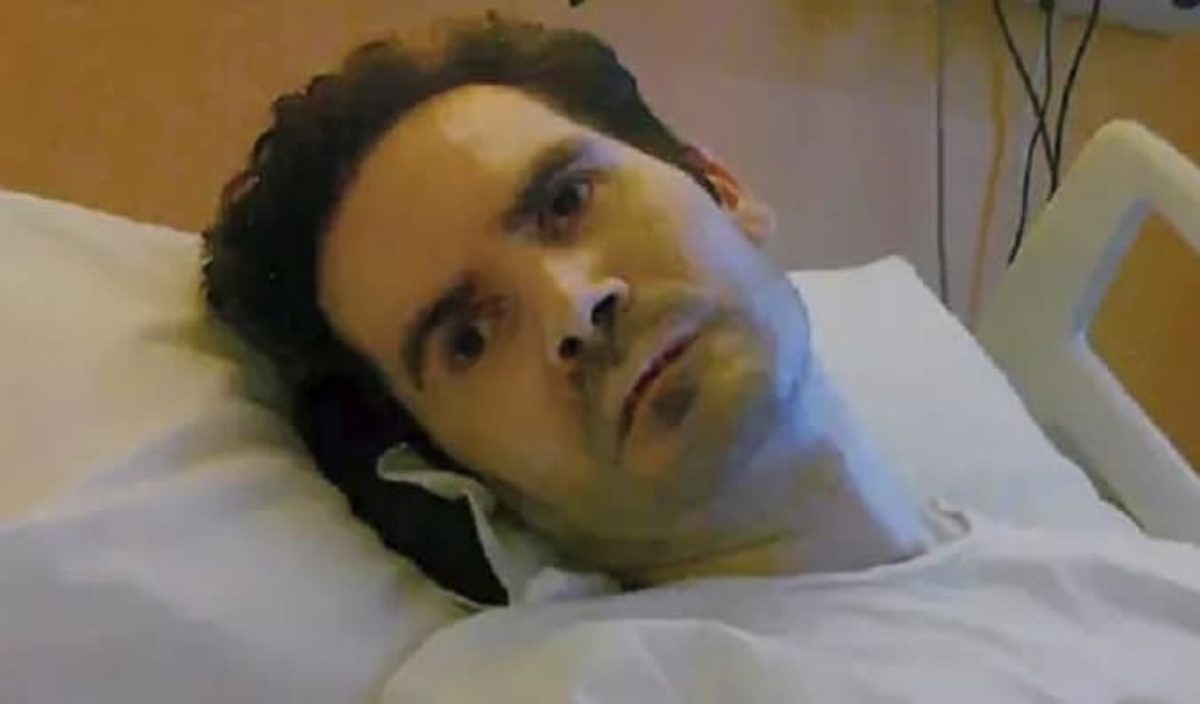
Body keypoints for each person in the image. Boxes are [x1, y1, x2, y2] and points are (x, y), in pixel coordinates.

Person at [203, 14, 1200, 700]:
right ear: (462, 472)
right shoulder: (570, 686)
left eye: (566, 201)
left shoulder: (1140, 582)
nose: (574, 306)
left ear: (721, 188)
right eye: (468, 337)